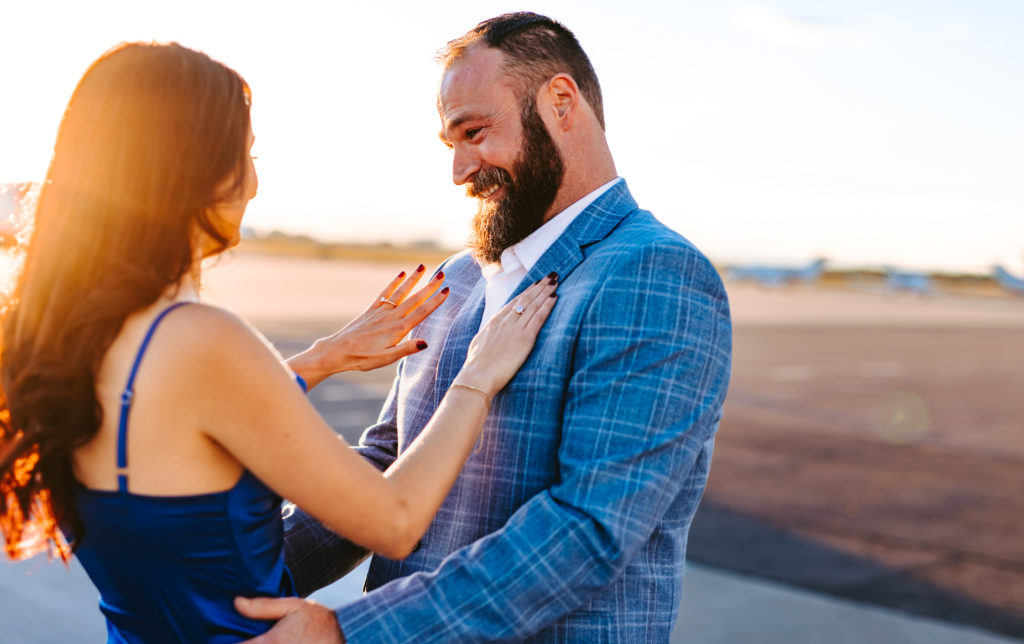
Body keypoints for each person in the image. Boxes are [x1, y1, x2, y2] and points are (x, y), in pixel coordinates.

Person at [0, 41, 557, 642]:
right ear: (192, 168)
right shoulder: (201, 339)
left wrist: (319, 360)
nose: (256, 184)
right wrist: (477, 375)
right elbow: (394, 520)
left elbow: (177, 433)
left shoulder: (73, 339)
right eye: (246, 154)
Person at [239, 12, 733, 643]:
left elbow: (587, 531)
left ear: (560, 101)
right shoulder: (458, 278)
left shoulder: (654, 273)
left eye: (475, 133)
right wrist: (243, 579)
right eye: (452, 144)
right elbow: (387, 464)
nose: (460, 170)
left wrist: (349, 633)